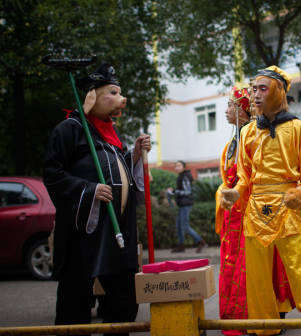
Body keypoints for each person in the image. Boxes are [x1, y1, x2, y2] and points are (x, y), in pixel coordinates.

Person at [43, 63, 151, 335]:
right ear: (91, 96)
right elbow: (53, 174)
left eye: (120, 93)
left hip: (117, 232)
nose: (120, 99)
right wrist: (88, 189)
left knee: (125, 300)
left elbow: (116, 172)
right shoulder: (69, 130)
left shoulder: (111, 134)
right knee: (75, 302)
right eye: (112, 93)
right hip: (84, 235)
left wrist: (134, 155)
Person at [221, 66, 301, 336]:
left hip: (286, 205)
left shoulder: (298, 128)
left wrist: (300, 193)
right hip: (256, 209)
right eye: (253, 89)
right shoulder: (247, 132)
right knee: (256, 274)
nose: (255, 94)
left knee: (298, 267)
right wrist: (236, 192)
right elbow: (245, 176)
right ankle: (265, 327)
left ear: (279, 91)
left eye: (262, 89)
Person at [215, 85, 295, 335]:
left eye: (231, 105)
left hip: (256, 212)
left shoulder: (258, 137)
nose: (227, 110)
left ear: (244, 109)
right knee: (234, 264)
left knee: (260, 267)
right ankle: (239, 315)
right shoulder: (232, 143)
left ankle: (266, 315)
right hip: (234, 215)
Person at [168, 160, 207, 253]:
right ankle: (181, 246)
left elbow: (188, 191)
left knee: (185, 226)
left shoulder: (185, 177)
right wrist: (174, 190)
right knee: (179, 226)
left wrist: (175, 192)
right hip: (182, 204)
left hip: (186, 204)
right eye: (176, 166)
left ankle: (201, 242)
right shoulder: (181, 176)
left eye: (179, 165)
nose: (176, 167)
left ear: (183, 167)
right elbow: (182, 189)